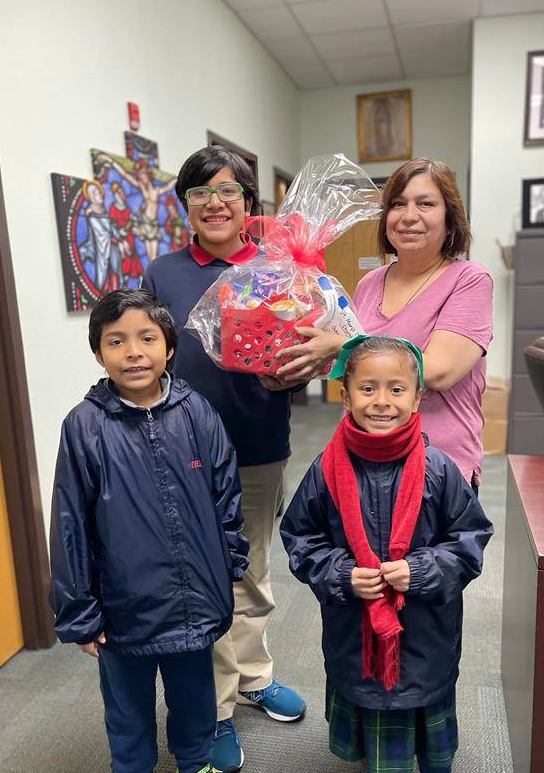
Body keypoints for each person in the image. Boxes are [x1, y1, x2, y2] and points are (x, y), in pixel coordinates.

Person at [141, 146, 307, 773]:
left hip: (258, 444)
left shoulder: (278, 268)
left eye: (228, 190)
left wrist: (293, 375)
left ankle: (254, 674)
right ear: (185, 205)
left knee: (253, 569)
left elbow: (300, 354)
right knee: (204, 578)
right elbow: (147, 356)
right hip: (182, 453)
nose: (215, 203)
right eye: (200, 192)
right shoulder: (162, 273)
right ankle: (216, 709)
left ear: (247, 202)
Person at [49, 288, 249, 773]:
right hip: (123, 609)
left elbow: (226, 496)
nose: (133, 352)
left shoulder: (196, 411)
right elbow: (70, 523)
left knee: (195, 699)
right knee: (127, 711)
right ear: (99, 354)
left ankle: (196, 761)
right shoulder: (84, 426)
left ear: (169, 347)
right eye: (116, 341)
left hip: (193, 601)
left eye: (147, 338)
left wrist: (229, 564)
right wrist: (80, 612)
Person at [280, 335, 493, 773]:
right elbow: (301, 538)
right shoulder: (325, 469)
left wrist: (422, 571)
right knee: (371, 728)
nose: (381, 401)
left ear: (417, 398)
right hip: (354, 633)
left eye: (396, 389)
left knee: (426, 719)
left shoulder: (439, 468)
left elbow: (469, 539)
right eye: (367, 388)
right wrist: (341, 574)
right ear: (346, 396)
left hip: (425, 633)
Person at [276, 158, 493, 493]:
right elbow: (355, 370)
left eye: (425, 204)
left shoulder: (469, 280)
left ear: (450, 219)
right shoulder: (371, 283)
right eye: (397, 204)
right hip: (365, 462)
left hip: (437, 471)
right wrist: (306, 357)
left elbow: (438, 371)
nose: (409, 216)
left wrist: (338, 346)